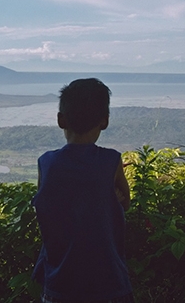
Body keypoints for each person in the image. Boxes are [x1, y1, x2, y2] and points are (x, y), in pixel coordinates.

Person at [32, 78, 134, 303]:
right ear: (104, 121)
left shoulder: (46, 164)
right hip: (109, 282)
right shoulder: (111, 161)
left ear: (61, 120)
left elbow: (47, 203)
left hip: (60, 282)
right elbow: (125, 202)